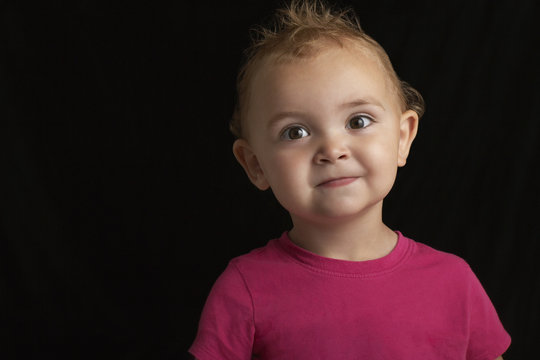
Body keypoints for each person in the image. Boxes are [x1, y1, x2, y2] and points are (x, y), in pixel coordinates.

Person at [189, 0, 511, 358]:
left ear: (402, 138)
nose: (332, 149)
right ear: (255, 165)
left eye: (358, 121)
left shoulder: (454, 282)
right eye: (295, 132)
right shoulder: (244, 290)